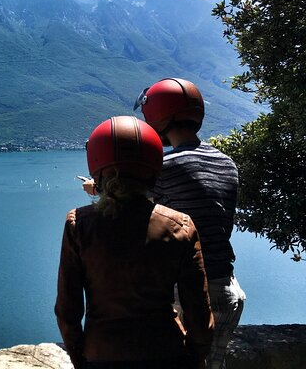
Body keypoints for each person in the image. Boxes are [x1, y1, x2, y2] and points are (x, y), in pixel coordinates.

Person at [57, 115, 214, 369]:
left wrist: (81, 359)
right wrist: (194, 358)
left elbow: (67, 312)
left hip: (101, 355)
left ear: (96, 165)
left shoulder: (80, 224)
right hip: (167, 353)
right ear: (153, 164)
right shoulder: (179, 225)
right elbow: (199, 313)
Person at [131, 78, 246, 369]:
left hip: (190, 293)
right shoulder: (226, 162)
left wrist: (100, 188)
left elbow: (129, 204)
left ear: (158, 116)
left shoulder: (168, 167)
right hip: (227, 288)